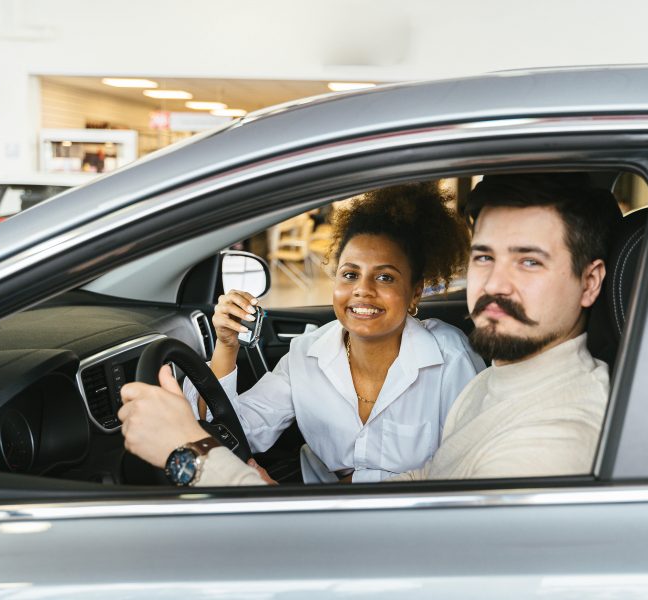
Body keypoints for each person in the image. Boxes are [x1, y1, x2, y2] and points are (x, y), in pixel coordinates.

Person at [119, 173, 620, 485]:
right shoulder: (498, 382)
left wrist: (192, 456)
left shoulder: (552, 436)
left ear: (590, 282)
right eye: (485, 258)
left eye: (530, 262)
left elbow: (397, 560)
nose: (495, 284)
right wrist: (224, 349)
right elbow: (437, 478)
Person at [123, 182, 484, 485]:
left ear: (416, 291)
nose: (362, 289)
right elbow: (236, 430)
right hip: (316, 517)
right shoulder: (307, 354)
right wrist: (226, 346)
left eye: (385, 277)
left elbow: (471, 466)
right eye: (349, 274)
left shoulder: (450, 359)